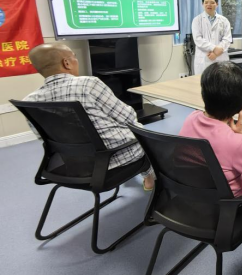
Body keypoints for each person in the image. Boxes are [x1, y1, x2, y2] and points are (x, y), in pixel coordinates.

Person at [23, 43, 154, 191]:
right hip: (113, 161)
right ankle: (149, 179)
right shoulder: (88, 84)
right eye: (74, 56)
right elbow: (127, 116)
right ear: (66, 63)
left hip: (73, 167)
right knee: (145, 134)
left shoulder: (29, 101)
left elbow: (43, 138)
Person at [179, 62, 242, 197]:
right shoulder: (236, 143)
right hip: (235, 202)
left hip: (193, 193)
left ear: (203, 94)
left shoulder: (191, 118)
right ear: (240, 107)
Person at [192, 0, 232, 75]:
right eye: (206, 2)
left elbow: (227, 39)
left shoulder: (224, 20)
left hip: (220, 57)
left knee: (222, 81)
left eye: (212, 2)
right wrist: (214, 48)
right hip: (204, 58)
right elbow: (198, 39)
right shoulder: (197, 20)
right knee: (204, 81)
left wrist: (216, 53)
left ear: (217, 4)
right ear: (202, 4)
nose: (209, 5)